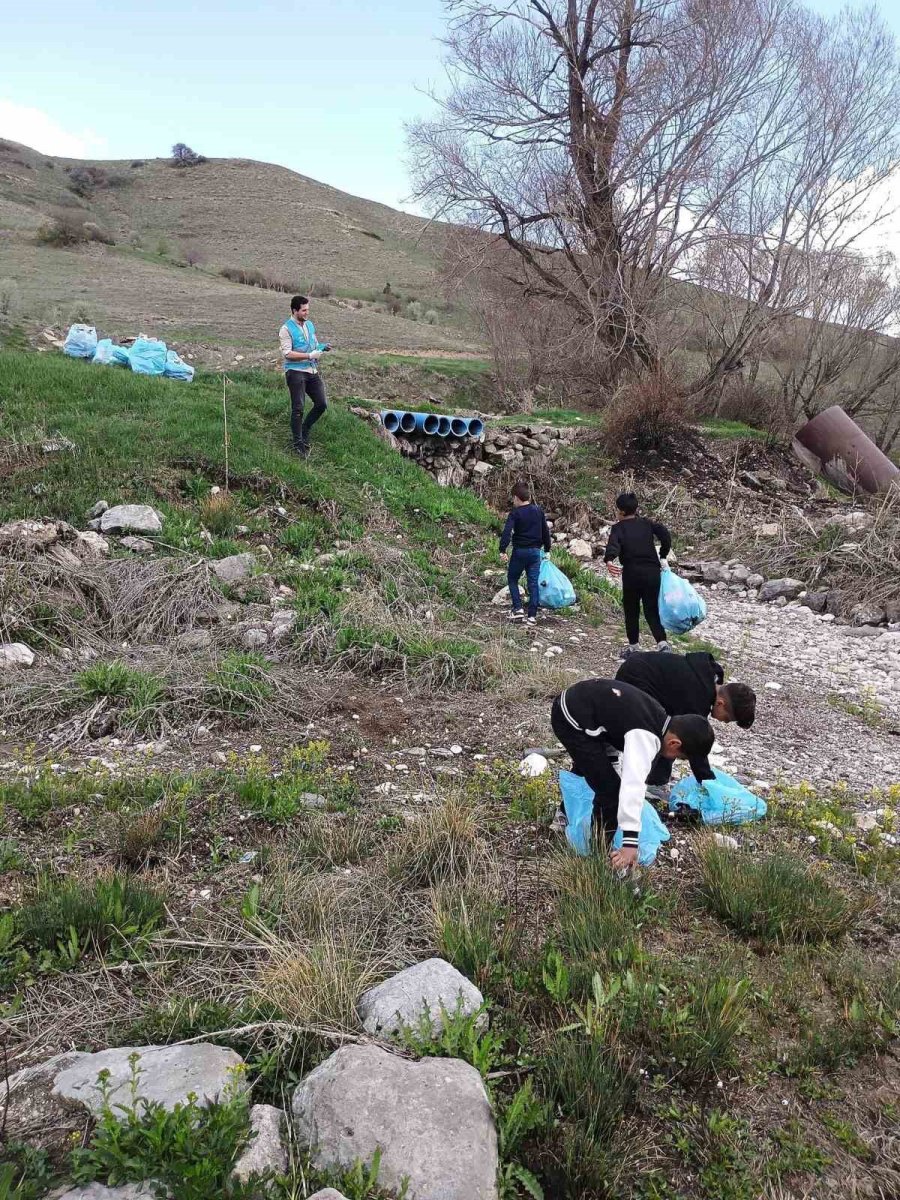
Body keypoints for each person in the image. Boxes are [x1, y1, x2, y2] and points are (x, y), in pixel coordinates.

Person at [551, 677, 714, 870]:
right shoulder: (645, 737)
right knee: (610, 793)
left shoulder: (660, 719)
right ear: (674, 743)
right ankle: (597, 854)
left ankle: (569, 811)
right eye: (679, 756)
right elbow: (633, 785)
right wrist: (630, 844)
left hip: (593, 716)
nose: (673, 759)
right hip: (571, 719)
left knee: (600, 774)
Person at [616, 650, 756, 797]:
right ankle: (653, 783)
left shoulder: (709, 679)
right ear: (720, 703)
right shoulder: (697, 697)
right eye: (727, 718)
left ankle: (654, 781)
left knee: (670, 728)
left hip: (641, 666)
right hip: (636, 678)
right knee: (665, 733)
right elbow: (693, 742)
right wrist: (707, 782)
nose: (725, 722)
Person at [603, 492, 671, 658]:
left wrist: (609, 560)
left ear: (622, 512)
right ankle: (662, 644)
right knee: (651, 609)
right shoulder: (647, 523)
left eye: (617, 510)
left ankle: (634, 647)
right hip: (652, 572)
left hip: (632, 573)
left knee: (631, 609)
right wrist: (663, 555)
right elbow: (665, 534)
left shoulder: (618, 528)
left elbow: (614, 545)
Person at [279, 295, 332, 457]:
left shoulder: (309, 325)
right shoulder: (286, 329)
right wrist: (309, 356)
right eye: (304, 310)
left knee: (321, 404)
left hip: (312, 370)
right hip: (295, 371)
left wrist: (322, 347)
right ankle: (298, 443)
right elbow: (287, 353)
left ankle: (305, 428)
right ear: (294, 310)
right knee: (298, 408)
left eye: (308, 309)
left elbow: (313, 345)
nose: (307, 313)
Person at [499, 481, 552, 626]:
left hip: (520, 552)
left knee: (512, 579)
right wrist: (547, 549)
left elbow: (507, 532)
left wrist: (502, 549)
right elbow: (545, 532)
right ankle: (532, 616)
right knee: (533, 583)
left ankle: (518, 609)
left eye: (513, 498)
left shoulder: (515, 513)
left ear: (516, 497)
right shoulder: (538, 511)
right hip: (535, 552)